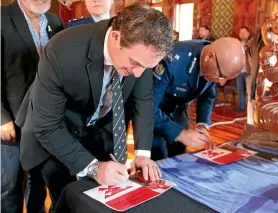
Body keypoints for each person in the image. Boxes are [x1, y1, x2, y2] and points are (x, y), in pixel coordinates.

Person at [17, 3, 172, 208]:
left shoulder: (141, 56)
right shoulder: (63, 50)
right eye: (134, 64)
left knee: (96, 200)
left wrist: (143, 154)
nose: (137, 74)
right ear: (116, 38)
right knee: (63, 198)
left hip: (94, 128)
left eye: (146, 68)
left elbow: (142, 100)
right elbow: (47, 126)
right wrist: (93, 168)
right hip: (54, 131)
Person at [1, 0, 63, 212]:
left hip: (47, 121)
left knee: (38, 182)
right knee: (9, 186)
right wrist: (1, 118)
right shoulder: (2, 18)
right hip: (12, 121)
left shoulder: (55, 22)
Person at [152, 38, 245, 160]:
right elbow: (148, 106)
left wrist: (202, 125)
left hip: (178, 110)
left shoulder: (215, 62)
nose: (221, 83)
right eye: (222, 76)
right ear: (209, 57)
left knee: (179, 156)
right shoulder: (173, 59)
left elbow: (207, 96)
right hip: (154, 114)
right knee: (158, 158)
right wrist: (180, 133)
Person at [236, 26, 253, 111]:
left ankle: (250, 107)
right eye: (240, 33)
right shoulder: (237, 44)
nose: (242, 34)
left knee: (249, 90)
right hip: (239, 69)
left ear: (248, 33)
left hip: (248, 69)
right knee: (240, 89)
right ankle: (241, 106)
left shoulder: (252, 43)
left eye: (244, 32)